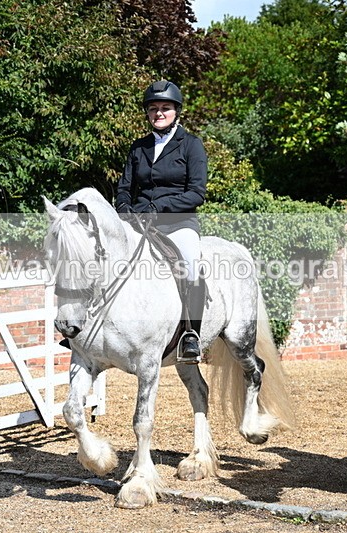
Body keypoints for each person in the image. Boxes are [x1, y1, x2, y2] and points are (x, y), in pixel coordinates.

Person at [115, 80, 208, 364]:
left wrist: (158, 207)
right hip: (140, 224)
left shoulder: (191, 145)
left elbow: (196, 193)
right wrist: (125, 210)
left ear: (176, 111)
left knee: (190, 264)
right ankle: (90, 329)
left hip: (178, 223)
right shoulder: (139, 147)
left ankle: (190, 333)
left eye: (165, 108)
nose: (159, 113)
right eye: (153, 108)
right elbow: (124, 187)